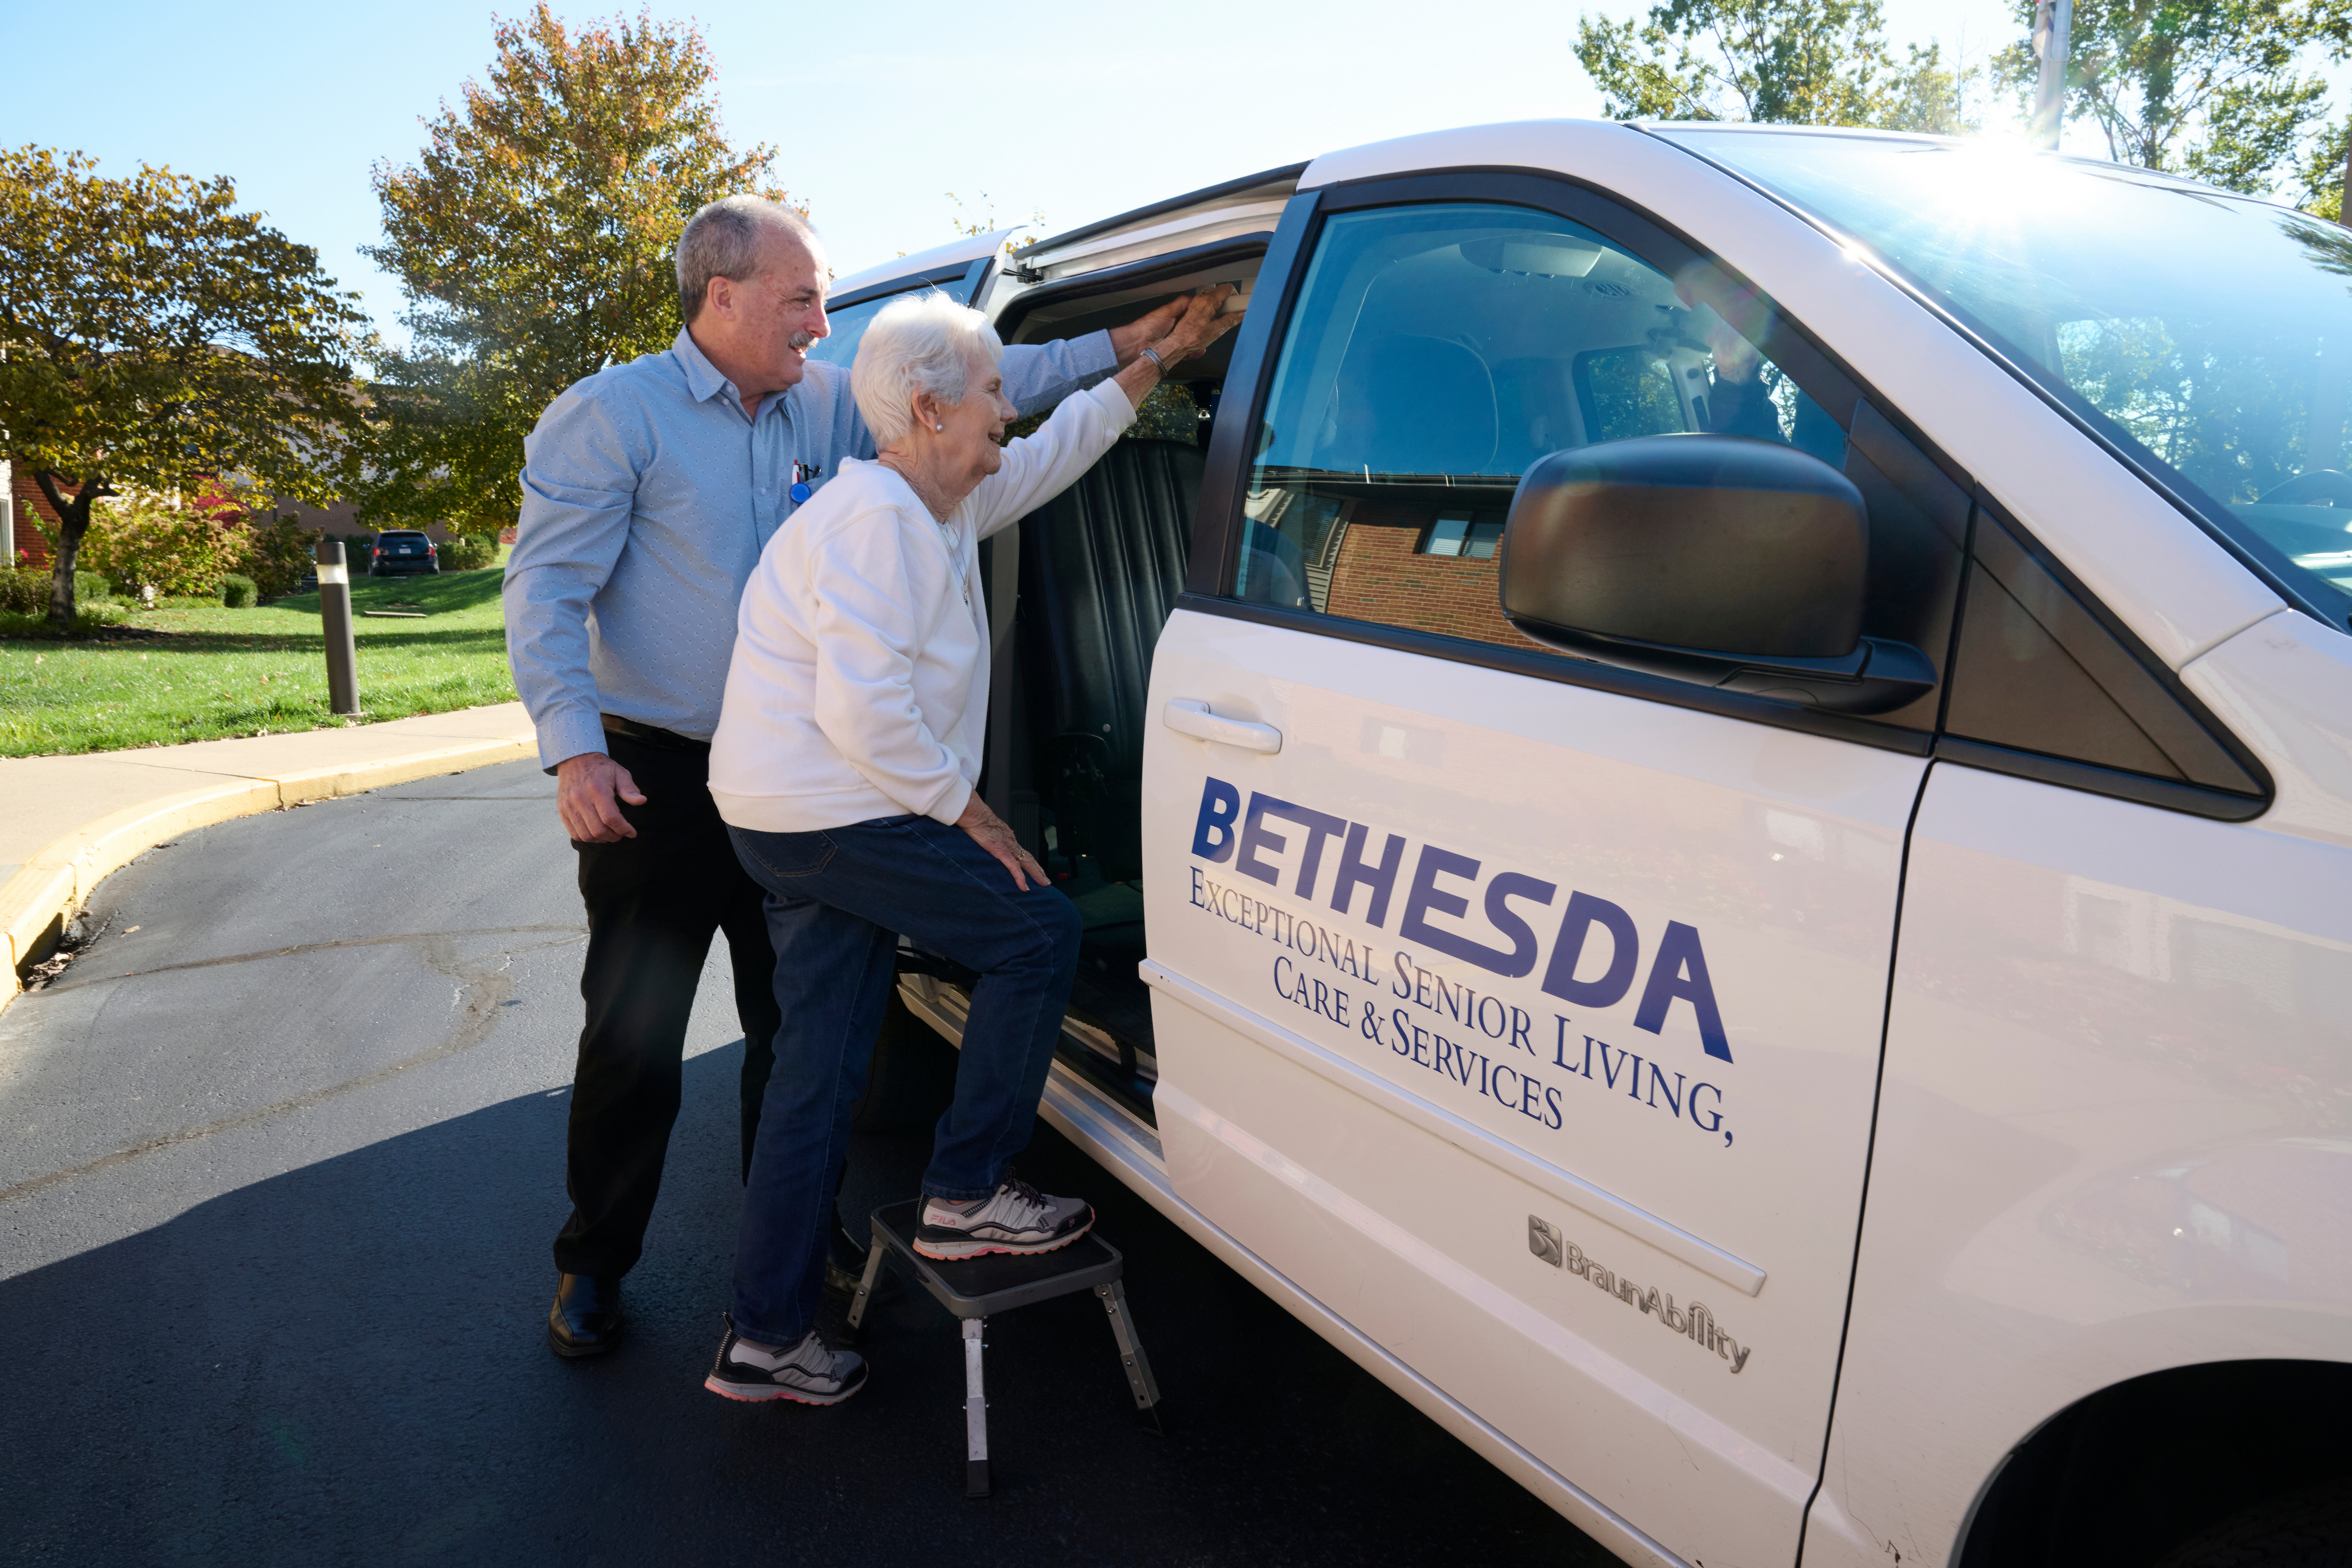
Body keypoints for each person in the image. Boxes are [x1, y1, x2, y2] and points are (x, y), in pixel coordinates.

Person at [505, 195, 1209, 1360]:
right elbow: (546, 595)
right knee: (637, 1036)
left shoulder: (834, 400)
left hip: (807, 769)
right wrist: (576, 748)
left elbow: (1004, 388)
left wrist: (1129, 351)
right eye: (803, 300)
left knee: (796, 1039)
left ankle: (782, 1279)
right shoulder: (613, 416)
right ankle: (596, 1261)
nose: (824, 322)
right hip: (664, 773)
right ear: (718, 295)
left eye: (825, 302)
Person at [699, 285, 1240, 1404]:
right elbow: (866, 720)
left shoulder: (935, 504)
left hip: (807, 813)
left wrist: (1150, 369)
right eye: (994, 390)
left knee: (818, 1074)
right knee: (1036, 929)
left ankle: (767, 1338)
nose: (1009, 410)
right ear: (934, 410)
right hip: (822, 814)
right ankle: (969, 1191)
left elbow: (1052, 457)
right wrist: (975, 812)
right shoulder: (871, 527)